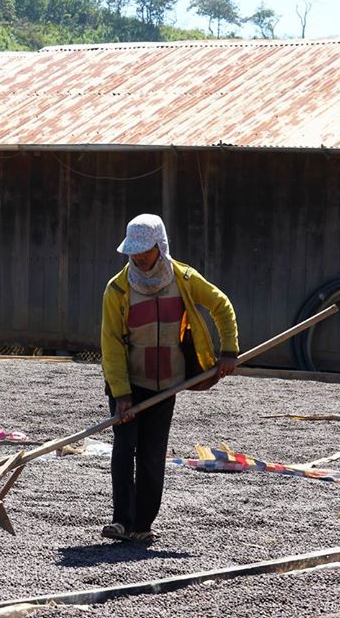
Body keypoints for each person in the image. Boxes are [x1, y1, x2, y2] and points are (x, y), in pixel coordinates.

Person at [100, 213, 238, 543]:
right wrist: (121, 394)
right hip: (128, 384)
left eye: (144, 250)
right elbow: (111, 344)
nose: (137, 257)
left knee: (151, 455)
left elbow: (221, 305)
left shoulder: (185, 280)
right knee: (124, 449)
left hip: (166, 385)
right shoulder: (117, 289)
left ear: (160, 247)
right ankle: (121, 521)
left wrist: (229, 350)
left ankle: (142, 525)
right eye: (133, 251)